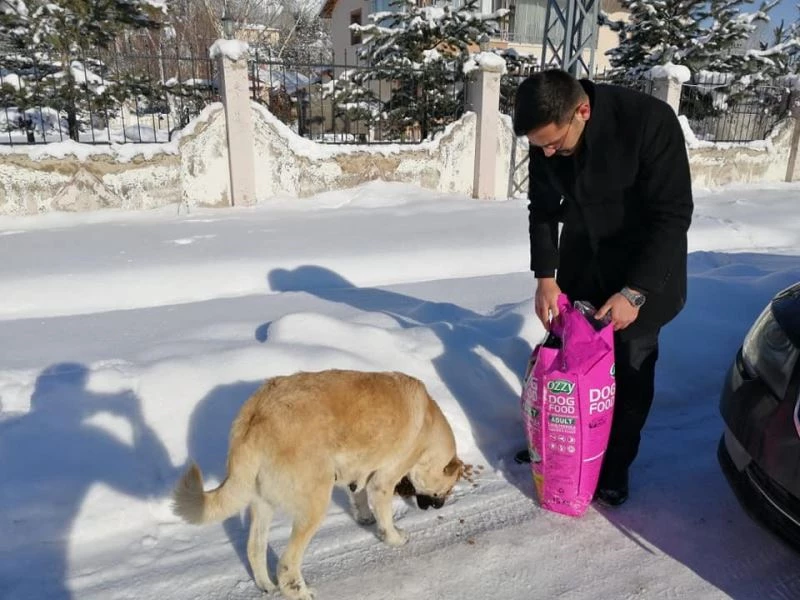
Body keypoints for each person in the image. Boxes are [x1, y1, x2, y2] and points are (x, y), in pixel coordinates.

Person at [512, 69, 693, 506]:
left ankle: (614, 467)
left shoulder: (648, 122)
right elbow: (542, 209)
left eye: (554, 142)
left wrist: (635, 291)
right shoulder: (547, 137)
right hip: (582, 264)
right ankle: (562, 446)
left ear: (583, 110)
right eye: (540, 147)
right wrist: (546, 277)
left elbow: (672, 215)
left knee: (630, 370)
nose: (549, 153)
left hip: (643, 270)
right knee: (572, 363)